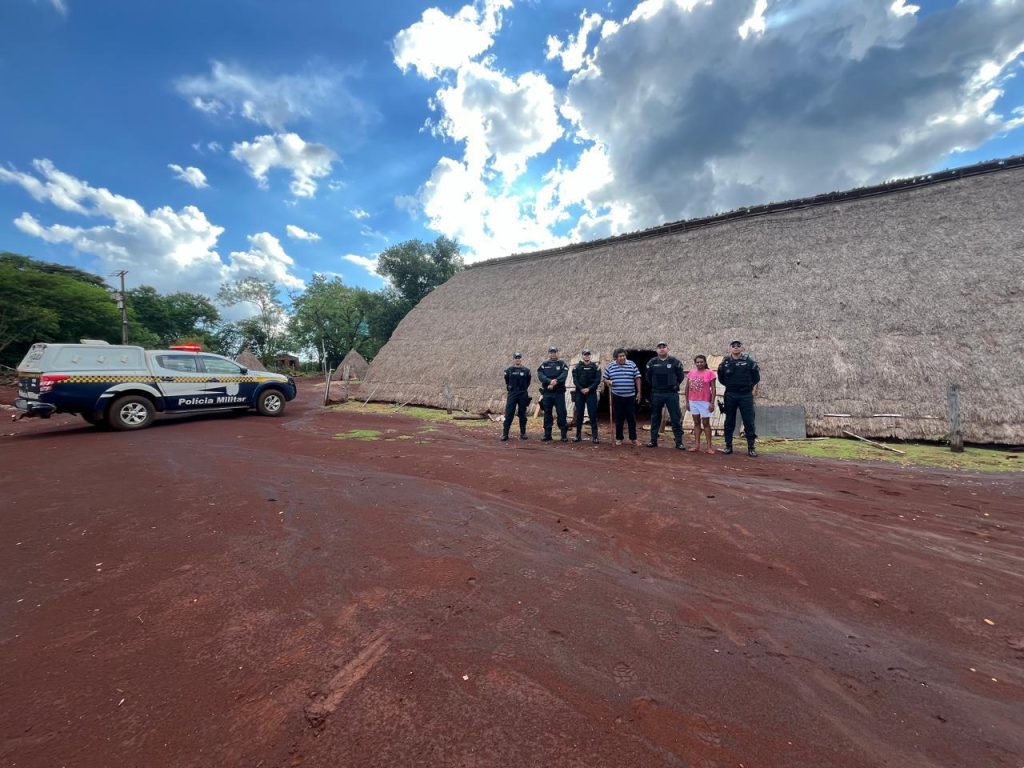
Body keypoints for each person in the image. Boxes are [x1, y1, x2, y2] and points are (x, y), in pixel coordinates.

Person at [717, 339, 760, 457]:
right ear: (730, 348)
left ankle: (751, 447)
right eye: (733, 346)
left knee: (749, 421)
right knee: (729, 421)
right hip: (731, 394)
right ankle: (728, 446)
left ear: (742, 348)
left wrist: (748, 387)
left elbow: (756, 377)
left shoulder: (749, 361)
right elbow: (721, 377)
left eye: (738, 346)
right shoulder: (725, 362)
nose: (736, 347)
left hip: (745, 395)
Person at [644, 341, 685, 449]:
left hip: (671, 393)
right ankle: (653, 440)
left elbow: (680, 376)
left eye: (664, 347)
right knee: (655, 417)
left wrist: (674, 385)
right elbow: (648, 377)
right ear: (656, 350)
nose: (662, 349)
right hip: (657, 393)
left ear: (668, 349)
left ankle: (679, 442)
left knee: (675, 417)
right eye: (659, 347)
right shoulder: (652, 362)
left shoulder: (675, 361)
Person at [602, 348, 641, 445]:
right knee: (619, 418)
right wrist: (608, 381)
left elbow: (637, 377)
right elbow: (604, 378)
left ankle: (633, 438)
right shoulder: (611, 366)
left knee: (631, 418)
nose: (622, 357)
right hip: (617, 396)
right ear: (616, 357)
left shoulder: (631, 364)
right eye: (620, 356)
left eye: (624, 356)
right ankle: (619, 438)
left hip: (630, 395)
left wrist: (639, 392)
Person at [683, 354, 717, 453]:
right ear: (695, 363)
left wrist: (712, 403)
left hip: (705, 401)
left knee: (706, 423)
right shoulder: (691, 373)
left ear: (705, 362)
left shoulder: (710, 373)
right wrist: (687, 402)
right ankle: (697, 445)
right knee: (696, 423)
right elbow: (687, 388)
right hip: (693, 401)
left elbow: (713, 388)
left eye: (701, 362)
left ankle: (709, 447)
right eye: (697, 362)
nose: (699, 364)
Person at [537, 346, 569, 442]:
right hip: (547, 393)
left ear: (557, 353)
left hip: (559, 393)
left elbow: (564, 375)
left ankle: (563, 435)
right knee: (547, 413)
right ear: (549, 353)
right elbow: (540, 375)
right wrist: (549, 381)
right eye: (551, 352)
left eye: (554, 352)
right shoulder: (544, 364)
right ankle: (547, 435)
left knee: (562, 413)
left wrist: (556, 382)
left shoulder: (562, 364)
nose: (553, 354)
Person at [571, 349, 601, 443]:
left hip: (591, 393)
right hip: (580, 393)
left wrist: (589, 388)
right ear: (582, 356)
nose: (587, 356)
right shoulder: (577, 367)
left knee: (592, 415)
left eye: (588, 354)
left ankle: (595, 437)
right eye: (585, 354)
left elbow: (597, 380)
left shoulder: (596, 367)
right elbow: (575, 380)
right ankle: (577, 436)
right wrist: (581, 389)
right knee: (579, 415)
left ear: (590, 356)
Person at [501, 352, 531, 441]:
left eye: (519, 357)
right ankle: (505, 434)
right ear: (513, 359)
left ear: (521, 359)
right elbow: (507, 380)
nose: (517, 359)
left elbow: (528, 382)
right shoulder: (508, 370)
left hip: (522, 393)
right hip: (512, 393)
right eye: (516, 358)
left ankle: (523, 433)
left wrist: (523, 389)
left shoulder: (526, 370)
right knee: (509, 413)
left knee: (522, 414)